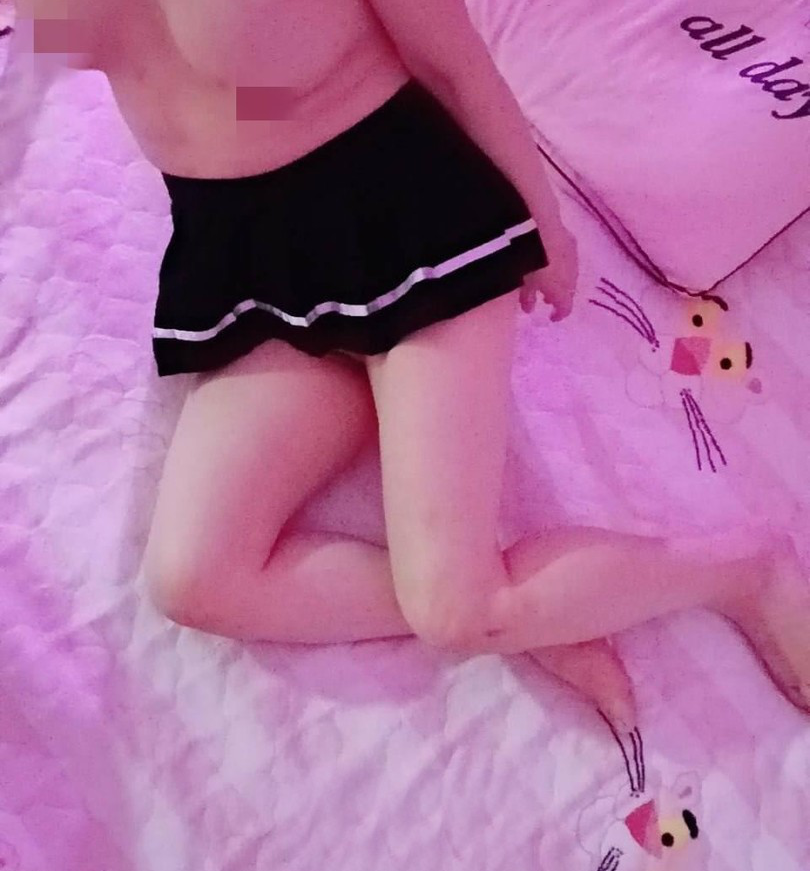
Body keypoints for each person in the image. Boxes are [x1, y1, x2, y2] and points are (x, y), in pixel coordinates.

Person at [3, 0, 808, 731]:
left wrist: (543, 224)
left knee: (456, 611)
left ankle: (743, 571)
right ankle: (522, 615)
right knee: (195, 580)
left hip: (410, 222)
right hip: (243, 264)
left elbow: (453, 62)